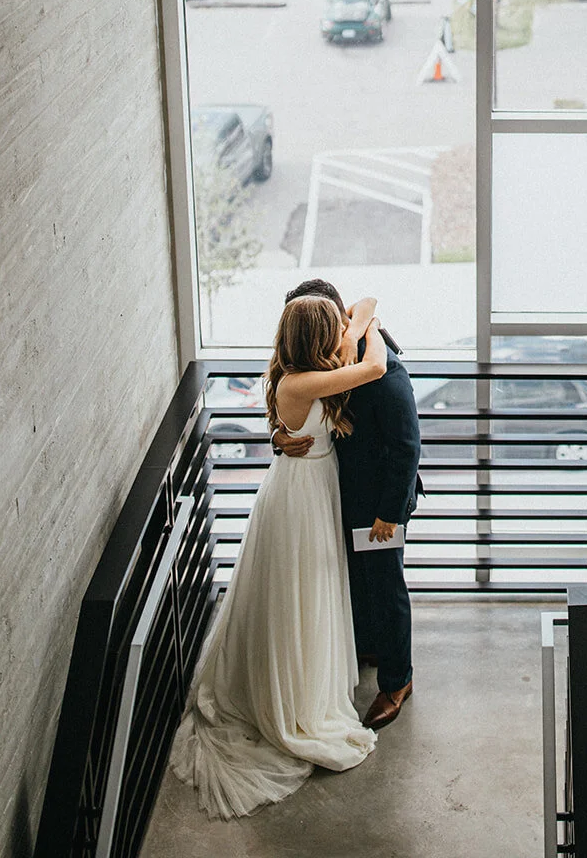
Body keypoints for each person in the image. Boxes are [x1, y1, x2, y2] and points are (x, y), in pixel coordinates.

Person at [170, 294, 386, 819]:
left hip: (308, 486)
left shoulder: (300, 372)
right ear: (317, 339)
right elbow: (374, 363)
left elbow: (364, 302)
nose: (343, 331)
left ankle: (304, 679)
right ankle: (293, 699)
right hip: (300, 499)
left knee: (309, 592)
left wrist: (359, 318)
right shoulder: (298, 384)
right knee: (301, 593)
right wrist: (371, 327)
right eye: (332, 328)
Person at [275, 278, 422, 730]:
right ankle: (367, 645)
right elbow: (301, 408)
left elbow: (406, 447)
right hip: (330, 494)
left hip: (379, 502)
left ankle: (397, 681)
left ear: (340, 321)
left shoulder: (385, 369)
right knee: (353, 580)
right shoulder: (321, 357)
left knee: (384, 585)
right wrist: (282, 438)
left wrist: (389, 515)